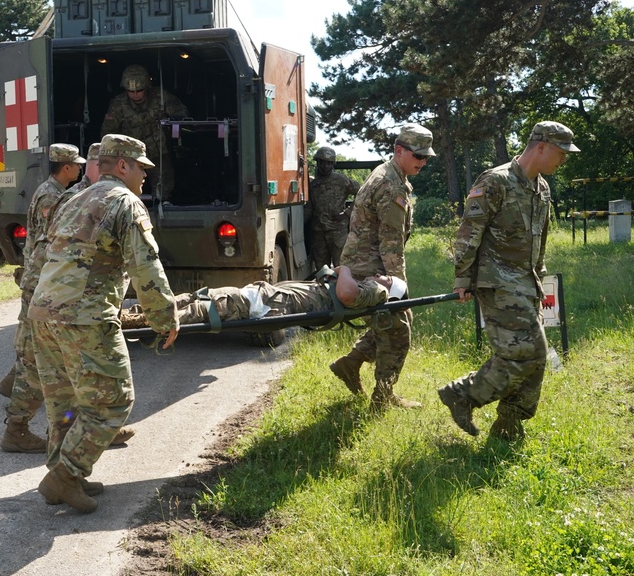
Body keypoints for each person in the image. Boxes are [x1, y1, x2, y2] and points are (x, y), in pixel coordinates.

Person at [28, 134, 179, 513]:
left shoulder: (75, 198)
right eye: (141, 168)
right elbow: (144, 265)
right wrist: (164, 317)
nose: (145, 176)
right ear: (123, 166)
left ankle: (67, 474)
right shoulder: (125, 202)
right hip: (84, 317)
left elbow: (46, 252)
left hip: (44, 313)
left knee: (65, 401)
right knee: (114, 400)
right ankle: (64, 477)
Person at [437, 121, 579, 441]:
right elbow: (469, 231)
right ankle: (463, 394)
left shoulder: (542, 188)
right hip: (496, 279)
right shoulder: (495, 181)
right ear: (541, 147)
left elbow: (539, 239)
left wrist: (539, 280)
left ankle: (508, 427)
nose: (564, 160)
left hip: (527, 283)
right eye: (561, 152)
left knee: (533, 357)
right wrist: (462, 278)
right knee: (529, 350)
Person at [330, 123, 436, 411]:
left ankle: (349, 364)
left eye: (426, 157)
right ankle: (383, 397)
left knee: (389, 326)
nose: (423, 162)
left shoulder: (391, 174)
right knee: (399, 330)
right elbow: (390, 241)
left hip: (365, 264)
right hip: (371, 269)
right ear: (399, 150)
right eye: (418, 156)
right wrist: (398, 285)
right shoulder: (390, 184)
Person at [0, 143, 85, 453]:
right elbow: (54, 242)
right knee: (39, 361)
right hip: (43, 284)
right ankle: (20, 428)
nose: (80, 168)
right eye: (77, 165)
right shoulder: (53, 196)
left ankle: (72, 425)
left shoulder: (50, 191)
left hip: (42, 281)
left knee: (44, 359)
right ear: (66, 167)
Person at [120, 265, 400, 330]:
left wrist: (346, 270)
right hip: (269, 299)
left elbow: (347, 294)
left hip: (270, 303)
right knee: (205, 297)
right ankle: (132, 315)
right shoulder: (370, 291)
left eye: (386, 277)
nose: (380, 275)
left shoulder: (378, 294)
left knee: (207, 307)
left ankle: (136, 320)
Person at [99, 64, 189, 200]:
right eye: (130, 91)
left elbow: (182, 114)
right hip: (129, 157)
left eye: (139, 90)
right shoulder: (118, 104)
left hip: (158, 154)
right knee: (126, 191)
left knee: (163, 190)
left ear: (147, 86)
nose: (135, 95)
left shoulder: (161, 97)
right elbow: (108, 134)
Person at [305, 146, 360, 269]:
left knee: (342, 268)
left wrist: (347, 213)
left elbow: (362, 193)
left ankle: (342, 289)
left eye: (329, 163)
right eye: (322, 162)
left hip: (338, 232)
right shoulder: (313, 185)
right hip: (319, 233)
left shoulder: (341, 180)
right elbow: (309, 208)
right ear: (318, 163)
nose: (325, 166)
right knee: (321, 270)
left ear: (333, 164)